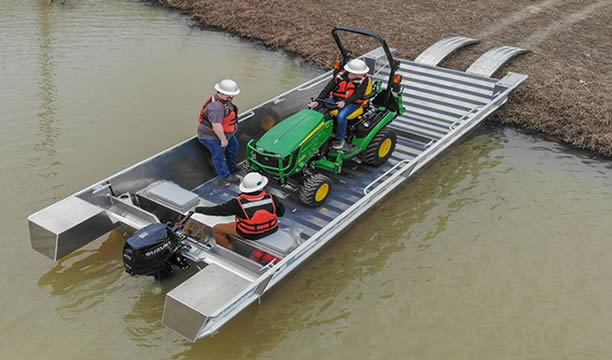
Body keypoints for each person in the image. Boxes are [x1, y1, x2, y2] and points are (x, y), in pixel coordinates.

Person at [194, 172, 285, 250]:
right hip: (272, 229)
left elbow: (217, 211)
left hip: (250, 234)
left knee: (217, 229)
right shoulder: (272, 197)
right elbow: (280, 213)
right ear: (261, 186)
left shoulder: (237, 203)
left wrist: (197, 209)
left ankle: (227, 250)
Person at [308, 58, 371, 149]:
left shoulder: (364, 80)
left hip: (352, 103)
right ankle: (312, 130)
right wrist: (317, 101)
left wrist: (345, 102)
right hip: (336, 99)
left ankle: (340, 138)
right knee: (316, 108)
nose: (363, 74)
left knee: (341, 116)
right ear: (352, 72)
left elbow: (358, 95)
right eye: (361, 72)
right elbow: (327, 89)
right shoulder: (339, 76)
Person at [197, 79, 241, 183]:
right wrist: (223, 140)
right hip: (212, 137)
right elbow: (216, 125)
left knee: (234, 147)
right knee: (219, 156)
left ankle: (232, 167)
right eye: (230, 94)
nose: (232, 97)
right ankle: (225, 176)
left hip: (226, 134)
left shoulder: (225, 102)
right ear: (221, 92)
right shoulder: (216, 108)